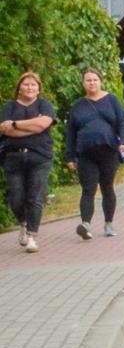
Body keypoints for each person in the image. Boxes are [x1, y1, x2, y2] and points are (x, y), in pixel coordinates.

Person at [64, 68, 124, 239]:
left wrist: (123, 142)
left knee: (107, 186)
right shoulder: (78, 105)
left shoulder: (112, 100)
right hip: (86, 153)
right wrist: (70, 157)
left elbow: (123, 122)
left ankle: (109, 223)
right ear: (83, 83)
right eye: (88, 80)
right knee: (88, 189)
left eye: (94, 80)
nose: (91, 83)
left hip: (108, 151)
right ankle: (85, 224)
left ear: (100, 81)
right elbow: (71, 132)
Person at [1, 71, 56, 253]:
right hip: (14, 158)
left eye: (33, 84)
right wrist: (33, 127)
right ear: (19, 88)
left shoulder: (44, 105)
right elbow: (5, 130)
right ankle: (23, 223)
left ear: (39, 88)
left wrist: (16, 124)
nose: (30, 87)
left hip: (39, 157)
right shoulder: (9, 106)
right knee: (16, 198)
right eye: (26, 84)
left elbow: (44, 124)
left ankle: (32, 235)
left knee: (35, 197)